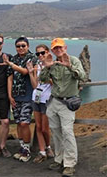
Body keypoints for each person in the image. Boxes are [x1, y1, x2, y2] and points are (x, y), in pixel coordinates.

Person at [39, 38, 86, 176]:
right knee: (56, 133)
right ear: (52, 50)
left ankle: (70, 163)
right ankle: (59, 159)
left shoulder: (74, 60)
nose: (58, 50)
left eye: (60, 47)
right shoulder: (51, 63)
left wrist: (69, 66)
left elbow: (82, 76)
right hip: (54, 102)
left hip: (67, 103)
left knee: (67, 132)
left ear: (65, 48)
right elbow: (42, 79)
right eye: (55, 48)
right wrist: (47, 67)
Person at [5, 37, 38, 162]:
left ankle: (27, 149)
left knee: (25, 122)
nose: (21, 48)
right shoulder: (14, 58)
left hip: (28, 96)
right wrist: (10, 95)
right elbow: (10, 78)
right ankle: (22, 147)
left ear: (28, 46)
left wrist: (11, 65)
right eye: (18, 46)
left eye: (23, 45)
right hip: (16, 96)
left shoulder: (32, 58)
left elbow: (25, 72)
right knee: (18, 122)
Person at [27, 44, 55, 163]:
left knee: (44, 128)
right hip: (36, 99)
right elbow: (34, 85)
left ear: (48, 52)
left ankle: (48, 146)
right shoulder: (36, 66)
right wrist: (30, 72)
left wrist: (44, 74)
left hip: (47, 100)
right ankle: (42, 151)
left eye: (42, 53)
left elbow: (54, 82)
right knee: (38, 127)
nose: (40, 56)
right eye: (38, 54)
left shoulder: (53, 66)